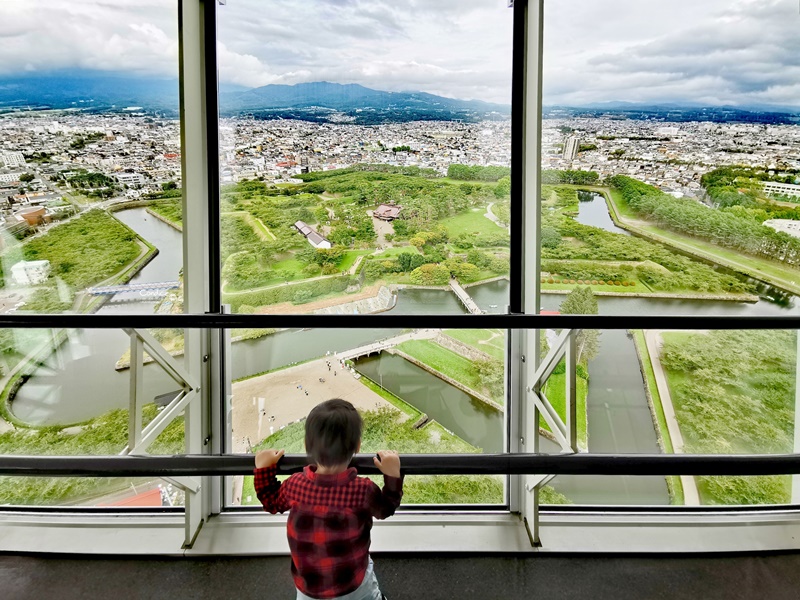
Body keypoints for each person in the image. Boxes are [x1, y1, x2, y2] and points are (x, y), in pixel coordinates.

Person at [254, 398, 402, 600]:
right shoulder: (362, 490)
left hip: (309, 588)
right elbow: (386, 509)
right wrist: (393, 475)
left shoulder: (295, 486)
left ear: (307, 445)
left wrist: (263, 469)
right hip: (354, 584)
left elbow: (270, 500)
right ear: (357, 447)